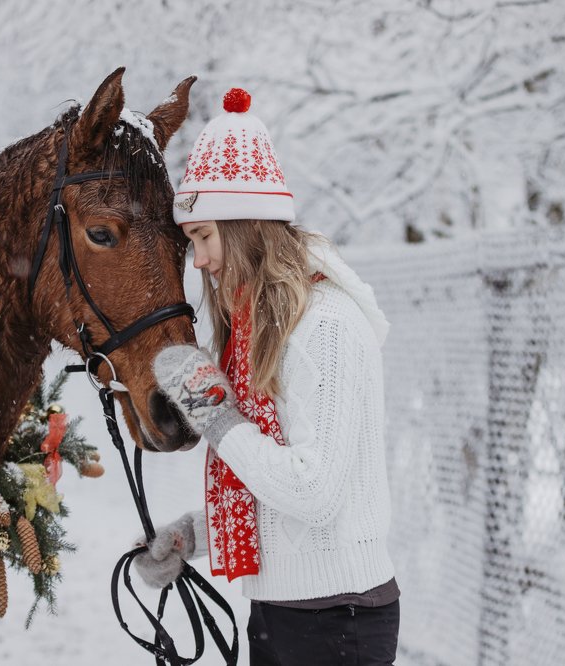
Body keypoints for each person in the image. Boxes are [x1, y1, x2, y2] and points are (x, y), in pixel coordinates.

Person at [138, 87, 401, 665]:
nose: (199, 260)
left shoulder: (323, 327)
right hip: (283, 611)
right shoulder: (261, 328)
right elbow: (278, 488)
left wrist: (213, 414)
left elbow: (311, 491)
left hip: (339, 621)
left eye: (203, 237)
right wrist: (195, 536)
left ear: (244, 225)